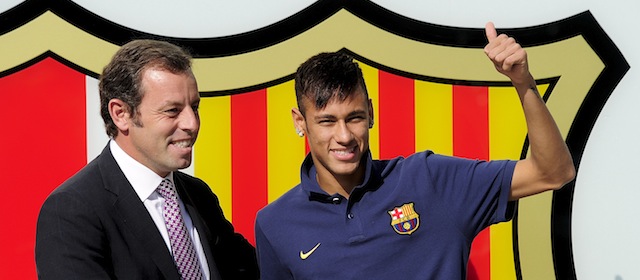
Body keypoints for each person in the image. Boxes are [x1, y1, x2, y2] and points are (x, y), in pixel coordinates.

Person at [254, 22, 576, 279]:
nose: (344, 135)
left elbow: (553, 172)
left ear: (371, 112)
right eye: (327, 121)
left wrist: (522, 82)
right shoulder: (274, 224)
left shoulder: (429, 179)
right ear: (300, 122)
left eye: (354, 117)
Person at [35, 39, 258, 280]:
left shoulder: (198, 195)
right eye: (172, 110)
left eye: (194, 107)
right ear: (121, 114)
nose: (191, 124)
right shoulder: (73, 210)